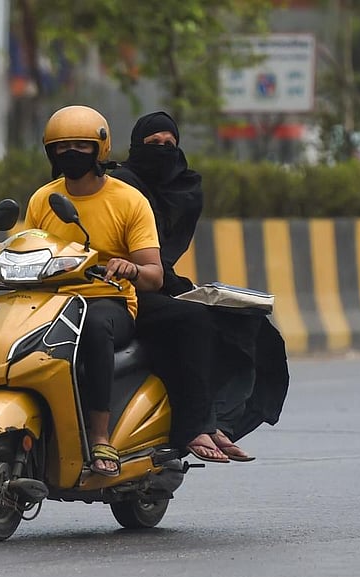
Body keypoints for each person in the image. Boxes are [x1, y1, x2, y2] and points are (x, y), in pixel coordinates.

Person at [0, 105, 164, 477]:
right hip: (50, 301)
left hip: (109, 300)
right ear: (50, 152)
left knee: (93, 331)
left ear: (99, 150)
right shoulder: (44, 199)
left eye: (80, 146)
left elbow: (154, 275)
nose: (70, 153)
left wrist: (129, 268)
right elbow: (27, 250)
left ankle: (101, 434)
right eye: (62, 147)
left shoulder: (128, 201)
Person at [111, 111, 289, 461]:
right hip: (117, 286)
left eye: (169, 145)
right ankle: (195, 425)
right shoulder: (120, 187)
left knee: (244, 326)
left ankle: (218, 421)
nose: (163, 152)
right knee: (193, 321)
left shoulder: (182, 188)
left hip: (156, 278)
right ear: (135, 148)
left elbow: (160, 257)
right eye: (153, 145)